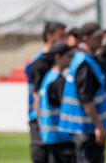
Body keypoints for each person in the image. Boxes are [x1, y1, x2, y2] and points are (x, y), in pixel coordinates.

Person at [58, 22, 106, 163]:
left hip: (83, 128)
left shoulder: (81, 58)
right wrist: (98, 126)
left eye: (102, 35)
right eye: (97, 36)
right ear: (84, 38)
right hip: (86, 129)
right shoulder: (85, 62)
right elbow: (86, 98)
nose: (101, 39)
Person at [25, 22, 66, 163]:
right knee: (41, 155)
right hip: (41, 119)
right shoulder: (38, 63)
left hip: (57, 118)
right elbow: (36, 94)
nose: (64, 39)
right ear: (49, 36)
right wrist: (39, 118)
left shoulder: (64, 58)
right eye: (61, 36)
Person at [37, 41, 75, 163]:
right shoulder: (58, 81)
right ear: (57, 57)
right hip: (61, 136)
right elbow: (67, 108)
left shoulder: (48, 77)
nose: (71, 58)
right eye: (68, 56)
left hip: (49, 135)